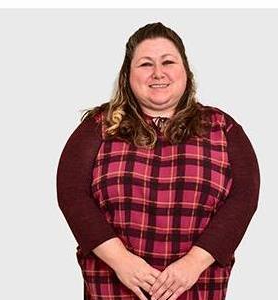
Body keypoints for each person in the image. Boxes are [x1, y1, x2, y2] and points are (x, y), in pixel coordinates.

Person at [56, 22, 260, 300]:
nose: (157, 73)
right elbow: (72, 194)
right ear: (128, 74)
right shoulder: (98, 126)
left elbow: (244, 197)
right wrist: (122, 262)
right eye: (145, 64)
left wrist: (192, 264)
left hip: (197, 285)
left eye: (168, 62)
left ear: (185, 70)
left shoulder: (222, 127)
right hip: (112, 286)